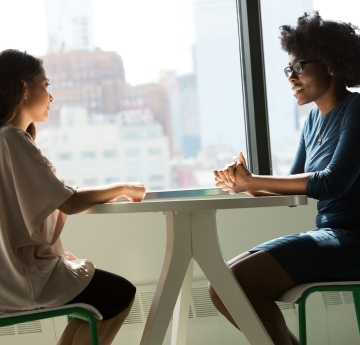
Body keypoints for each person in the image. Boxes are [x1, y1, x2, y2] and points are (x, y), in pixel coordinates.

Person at [210, 12, 360, 345]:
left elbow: (332, 183)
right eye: (288, 69)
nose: (291, 77)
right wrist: (241, 184)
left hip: (352, 240)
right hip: (331, 235)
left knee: (233, 283)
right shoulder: (312, 122)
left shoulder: (356, 110)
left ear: (331, 65)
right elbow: (291, 193)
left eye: (299, 66)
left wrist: (253, 181)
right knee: (222, 285)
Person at [0, 49, 146, 345]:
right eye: (46, 85)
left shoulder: (5, 138)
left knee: (91, 305)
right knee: (120, 295)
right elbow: (68, 200)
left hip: (11, 276)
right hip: (22, 280)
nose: (51, 97)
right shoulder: (11, 138)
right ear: (24, 87)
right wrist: (123, 187)